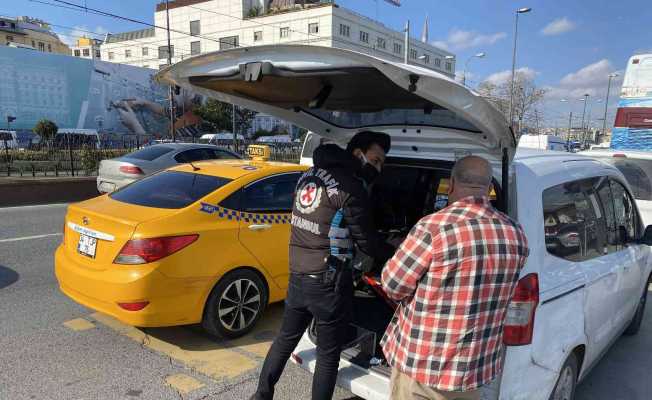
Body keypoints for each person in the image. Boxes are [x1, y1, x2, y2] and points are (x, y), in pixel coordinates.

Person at [251, 131, 391, 400]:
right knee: (328, 356)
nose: (378, 168)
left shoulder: (310, 175)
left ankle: (261, 395)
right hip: (328, 283)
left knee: (285, 339)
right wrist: (398, 250)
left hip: (298, 273)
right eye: (375, 160)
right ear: (357, 154)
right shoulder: (350, 187)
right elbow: (368, 244)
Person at [381, 155, 530, 400]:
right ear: (490, 188)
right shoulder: (515, 233)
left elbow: (392, 285)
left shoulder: (433, 227)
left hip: (424, 367)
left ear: (450, 185)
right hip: (473, 370)